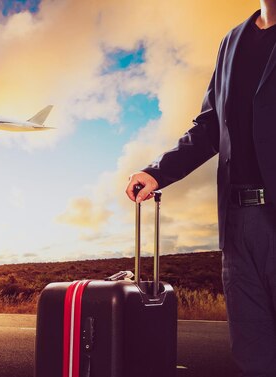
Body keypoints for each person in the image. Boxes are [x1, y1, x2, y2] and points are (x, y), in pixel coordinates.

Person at [125, 1, 276, 376]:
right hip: (238, 222)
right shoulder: (231, 42)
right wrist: (159, 172)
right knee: (253, 352)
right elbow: (209, 127)